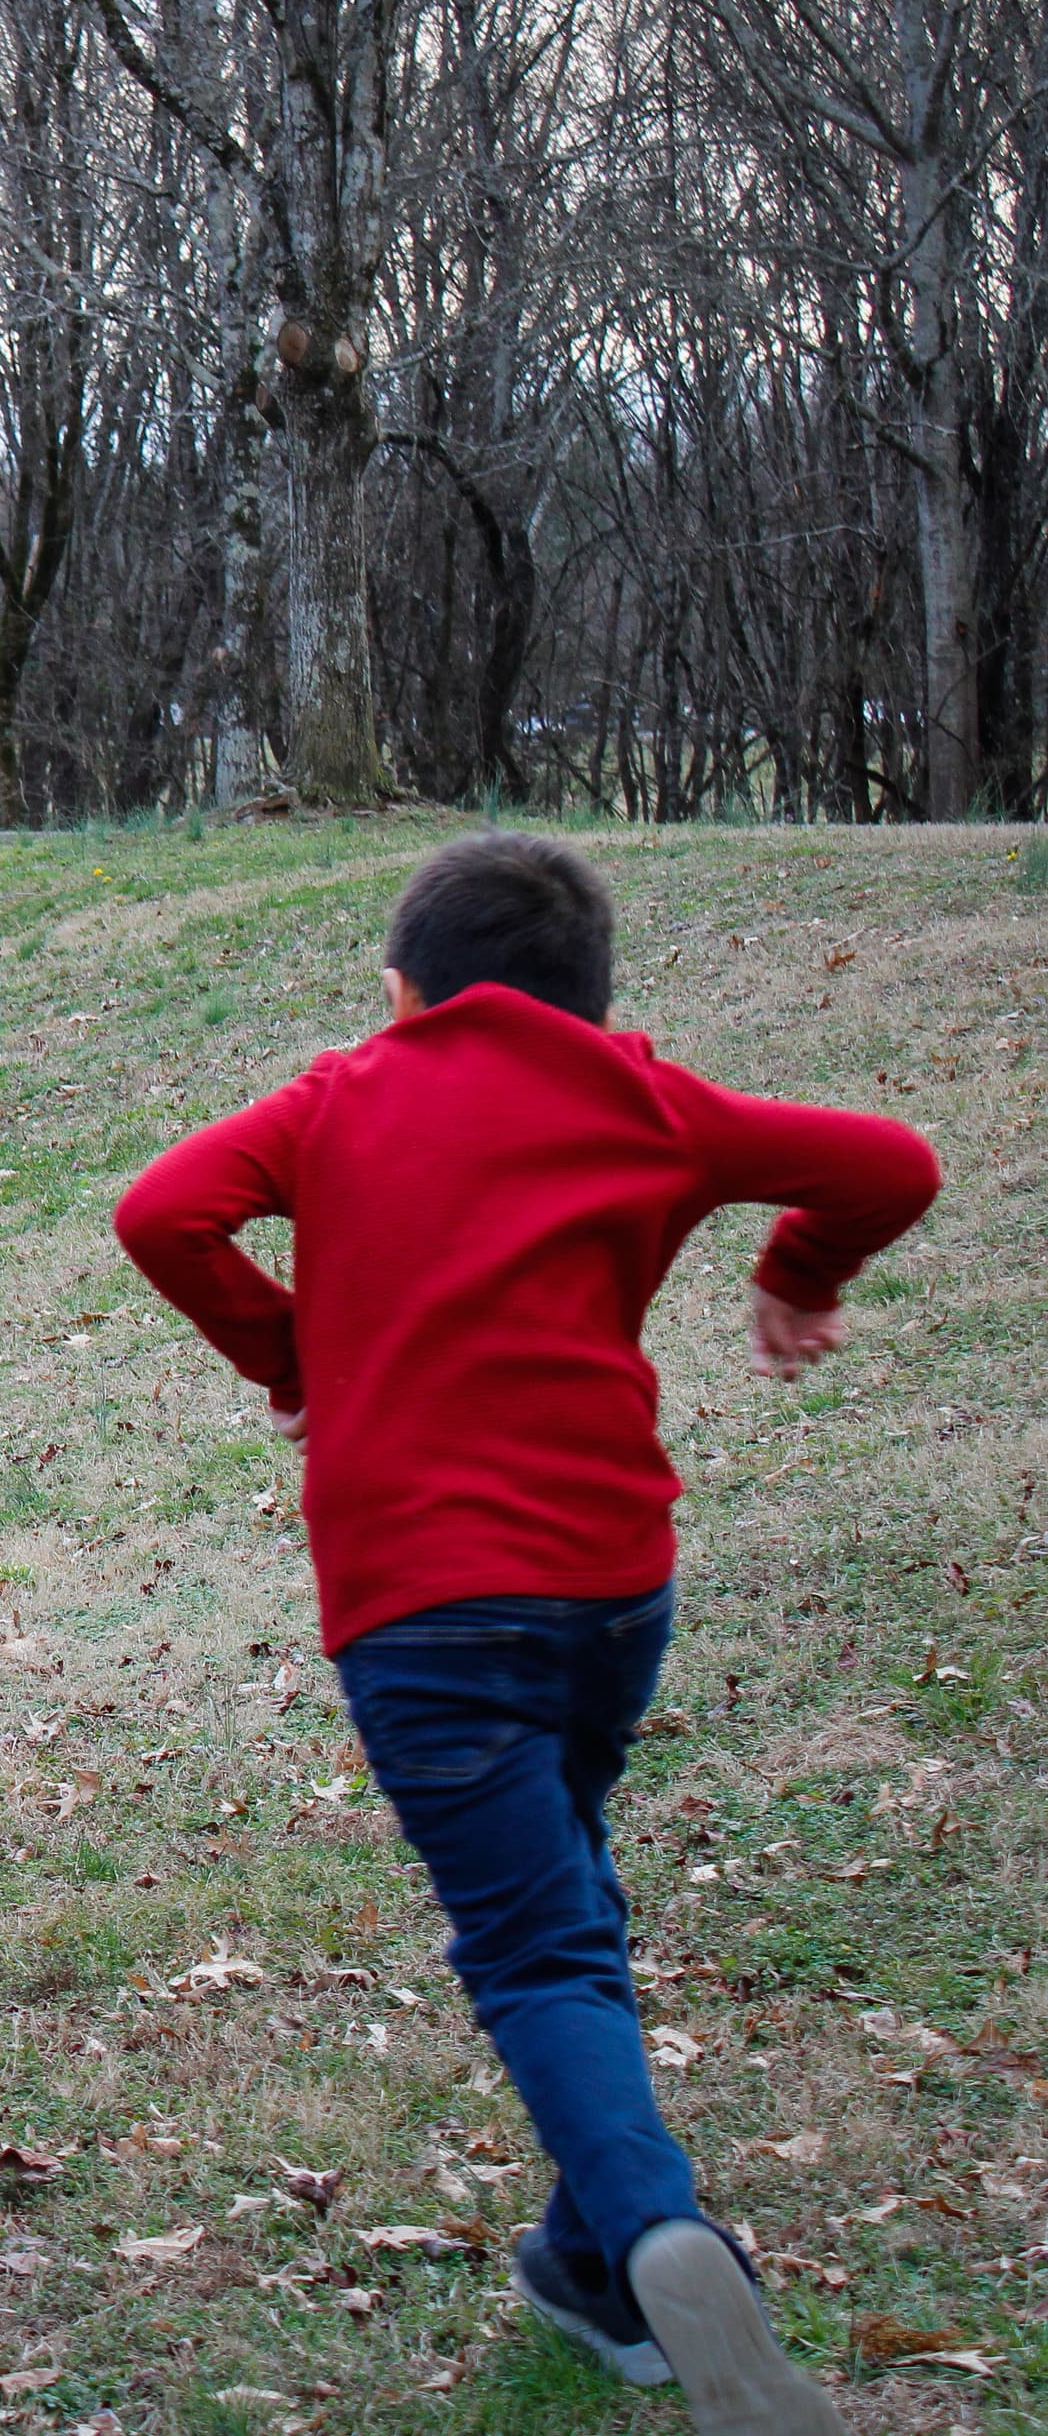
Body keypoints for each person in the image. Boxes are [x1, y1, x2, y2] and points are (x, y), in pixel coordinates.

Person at [114, 833, 937, 2436]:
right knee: (564, 1877)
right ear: (587, 999)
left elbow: (163, 1214)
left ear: (403, 992)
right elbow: (892, 1162)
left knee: (533, 1940)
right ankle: (584, 2269)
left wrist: (294, 1355)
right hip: (613, 1584)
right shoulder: (647, 1100)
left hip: (426, 1604)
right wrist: (797, 1268)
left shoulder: (345, 1095)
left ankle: (654, 2237)